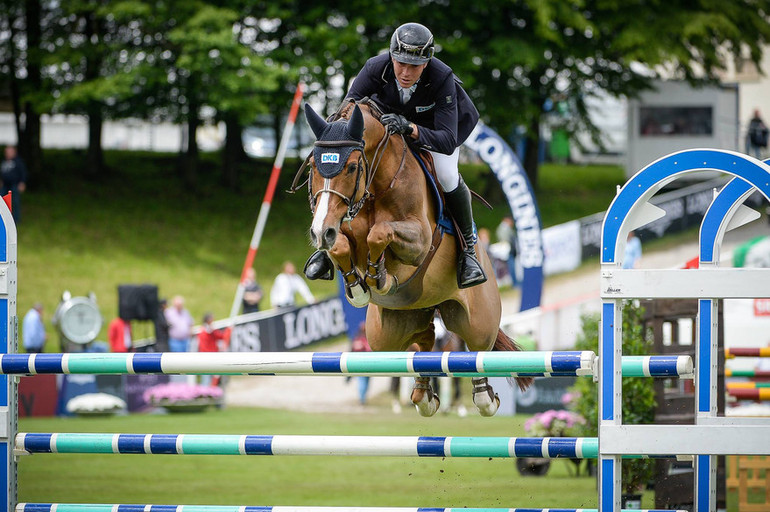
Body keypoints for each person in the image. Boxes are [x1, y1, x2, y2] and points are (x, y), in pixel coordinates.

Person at [303, 22, 486, 289]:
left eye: (414, 66)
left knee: (447, 175)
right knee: (350, 167)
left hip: (437, 131)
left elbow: (446, 140)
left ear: (426, 63)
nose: (405, 71)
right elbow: (348, 109)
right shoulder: (375, 67)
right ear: (392, 57)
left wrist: (411, 128)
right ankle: (325, 244)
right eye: (400, 63)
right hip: (392, 130)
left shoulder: (442, 77)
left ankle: (468, 250)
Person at [197, 312, 230, 386]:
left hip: (206, 356)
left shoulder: (201, 329)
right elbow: (221, 336)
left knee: (209, 376)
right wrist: (228, 330)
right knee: (209, 377)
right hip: (210, 356)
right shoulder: (209, 330)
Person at [1, 145, 27, 223]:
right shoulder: (4, 162)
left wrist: (22, 182)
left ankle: (16, 219)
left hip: (14, 184)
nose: (8, 154)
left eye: (9, 152)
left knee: (15, 202)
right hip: (5, 185)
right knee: (2, 201)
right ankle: (3, 218)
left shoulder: (18, 162)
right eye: (6, 152)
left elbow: (23, 173)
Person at [350, 322, 372, 405]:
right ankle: (362, 399)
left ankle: (362, 398)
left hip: (359, 364)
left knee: (362, 381)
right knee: (363, 381)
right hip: (366, 364)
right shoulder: (367, 340)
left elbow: (351, 350)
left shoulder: (356, 338)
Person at [495, 216, 518, 286]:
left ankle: (515, 282)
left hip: (509, 250)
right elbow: (505, 240)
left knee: (512, 267)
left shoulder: (504, 228)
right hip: (508, 251)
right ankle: (515, 283)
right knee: (512, 267)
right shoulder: (504, 228)